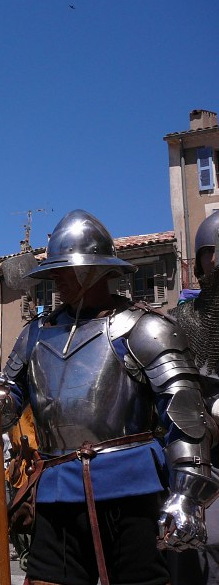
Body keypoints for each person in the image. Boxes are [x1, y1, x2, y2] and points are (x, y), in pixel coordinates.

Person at [0, 209, 219, 585]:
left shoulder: (145, 328)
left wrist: (187, 494)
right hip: (56, 488)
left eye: (65, 269)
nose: (56, 279)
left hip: (130, 488)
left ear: (95, 269)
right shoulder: (36, 334)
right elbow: (9, 408)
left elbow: (185, 419)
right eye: (53, 269)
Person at [168, 210, 219, 584]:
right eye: (210, 251)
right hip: (201, 459)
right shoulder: (183, 320)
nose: (217, 260)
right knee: (197, 553)